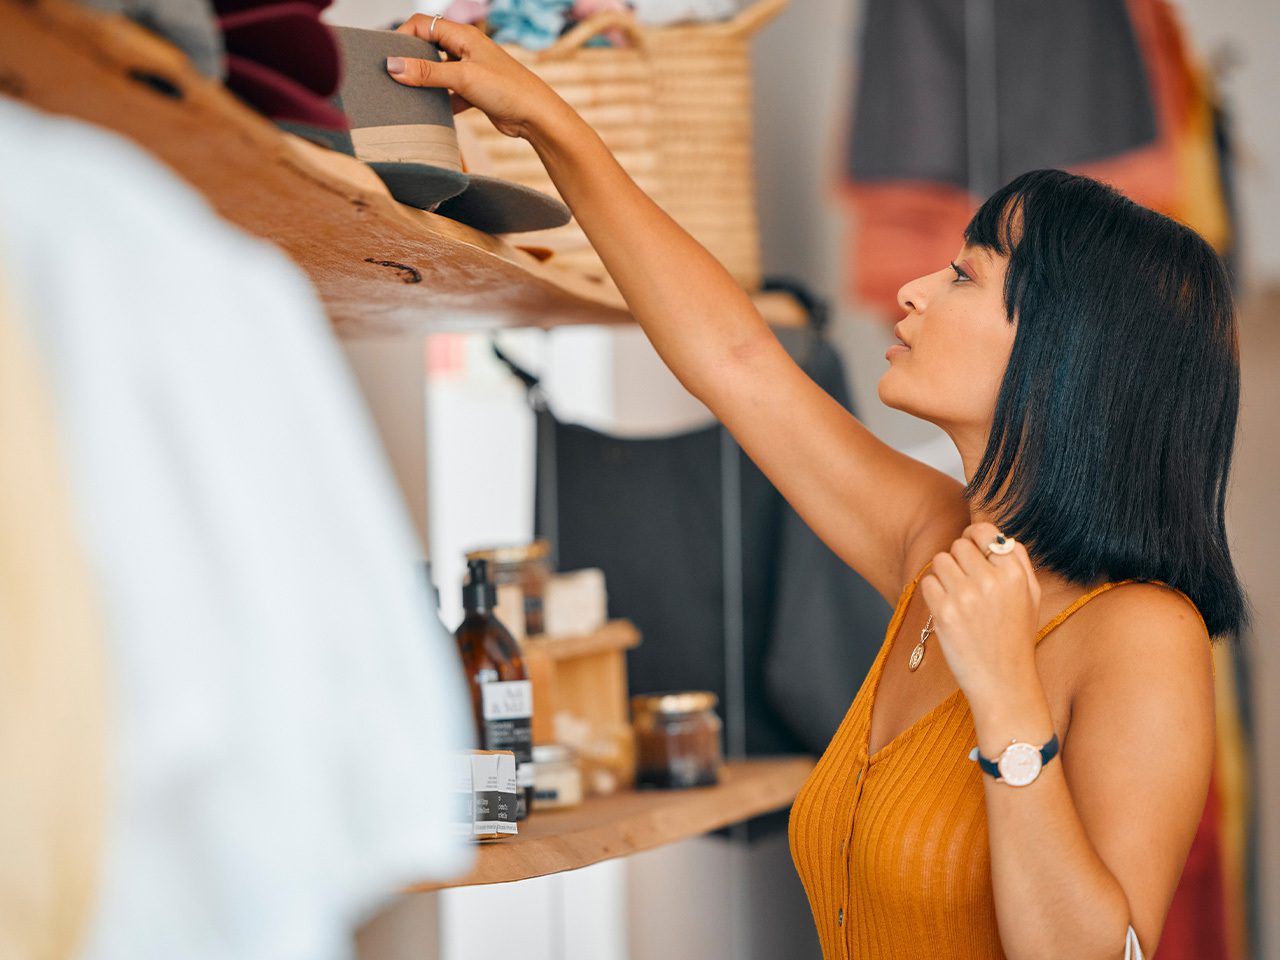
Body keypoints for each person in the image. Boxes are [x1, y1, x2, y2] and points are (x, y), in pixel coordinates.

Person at [386, 17, 1246, 958]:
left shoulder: (1142, 633)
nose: (913, 289)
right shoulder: (937, 542)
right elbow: (739, 360)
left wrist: (1007, 704)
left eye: (963, 275)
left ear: (1064, 359)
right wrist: (545, 121)